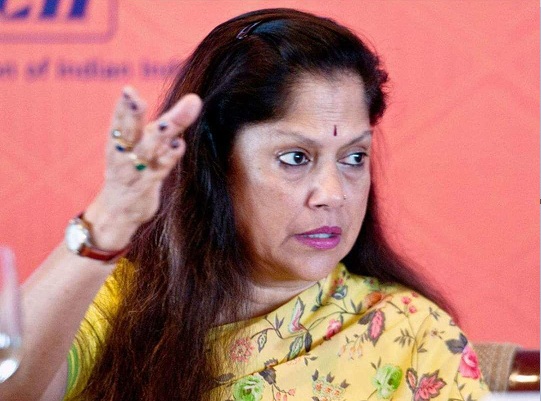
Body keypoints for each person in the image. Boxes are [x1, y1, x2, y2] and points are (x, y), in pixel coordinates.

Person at [2, 8, 489, 401]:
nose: (334, 194)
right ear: (216, 164)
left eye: (354, 157)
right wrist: (108, 221)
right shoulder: (125, 307)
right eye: (295, 158)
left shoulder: (409, 335)